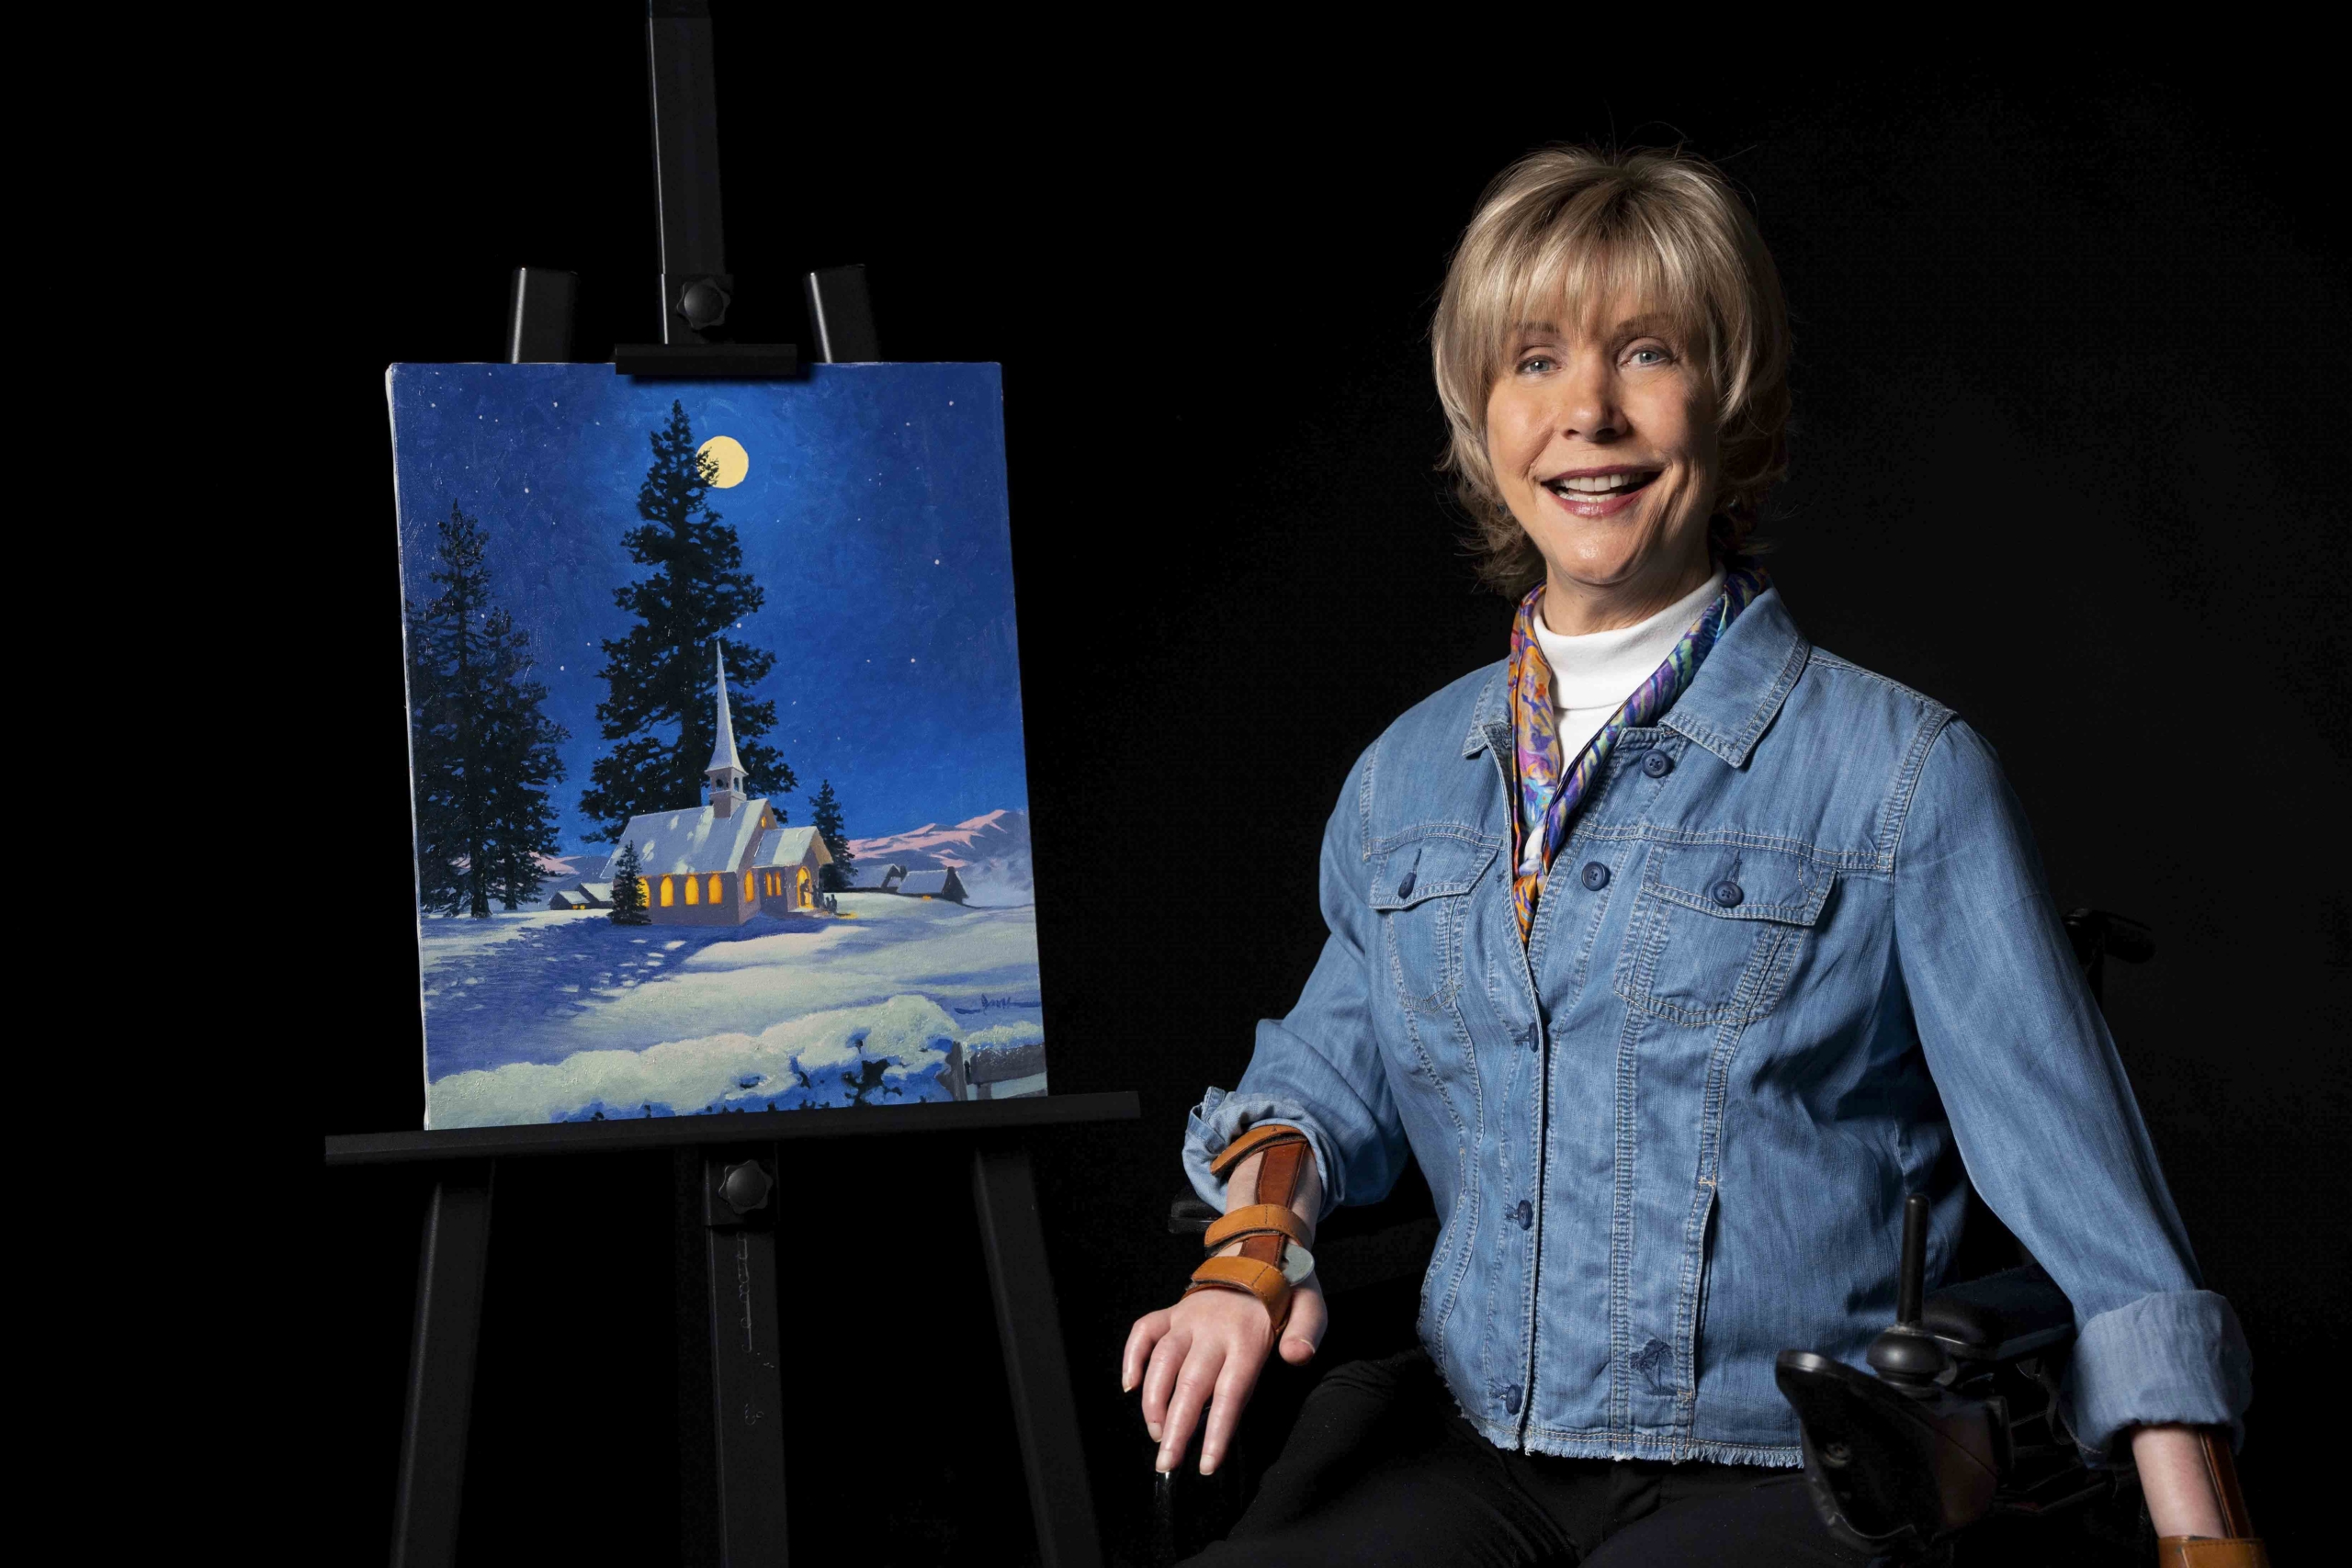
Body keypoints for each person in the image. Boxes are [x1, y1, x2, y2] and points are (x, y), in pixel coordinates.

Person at [1120, 145, 2257, 1566]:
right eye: (1533, 361)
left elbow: (2089, 1195)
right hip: (1482, 1451)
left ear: (1730, 402)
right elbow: (1323, 1076)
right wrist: (1247, 1253)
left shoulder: (1898, 774)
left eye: (1644, 354)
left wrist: (2201, 1532)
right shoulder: (1407, 778)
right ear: (1484, 416)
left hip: (1788, 1468)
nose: (1586, 412)